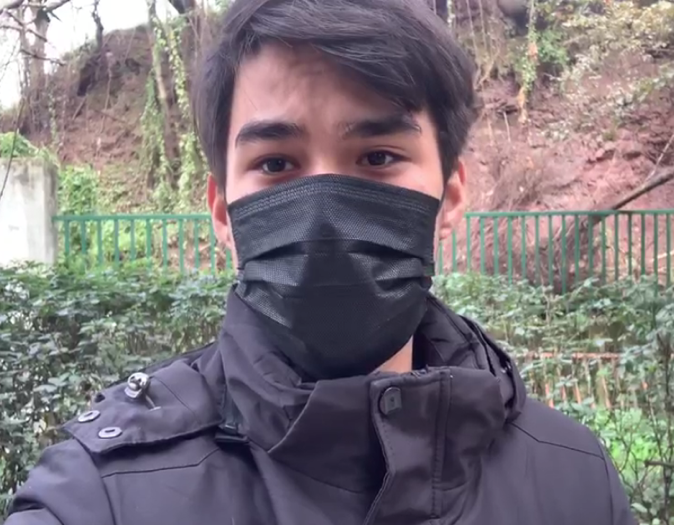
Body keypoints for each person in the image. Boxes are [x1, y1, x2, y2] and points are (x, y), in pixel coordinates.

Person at [6, 1, 635, 524]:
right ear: (223, 213)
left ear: (450, 196)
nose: (326, 215)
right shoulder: (103, 496)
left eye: (378, 157)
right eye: (276, 163)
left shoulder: (575, 482)